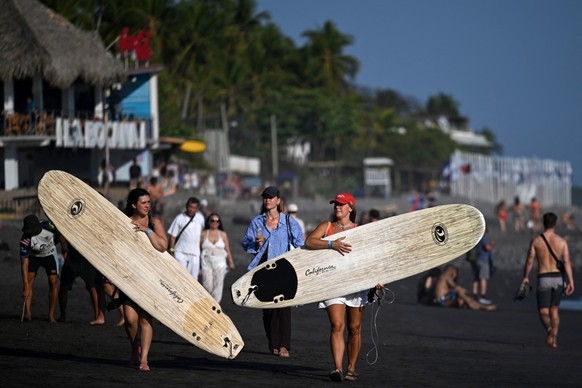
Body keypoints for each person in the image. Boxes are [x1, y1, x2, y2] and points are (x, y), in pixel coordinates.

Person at [304, 192, 382, 382]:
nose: (337, 207)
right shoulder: (327, 226)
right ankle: (338, 368)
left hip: (356, 283)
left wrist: (378, 279)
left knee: (354, 328)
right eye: (335, 204)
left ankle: (351, 368)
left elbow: (372, 256)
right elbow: (309, 242)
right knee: (337, 325)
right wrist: (332, 244)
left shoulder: (359, 229)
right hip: (332, 282)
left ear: (350, 208)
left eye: (340, 204)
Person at [242, 186, 304, 358]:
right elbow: (245, 243)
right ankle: (273, 342)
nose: (267, 200)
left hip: (283, 267)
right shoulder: (257, 222)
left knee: (283, 307)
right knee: (267, 309)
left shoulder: (289, 222)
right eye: (265, 197)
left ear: (278, 200)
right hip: (262, 267)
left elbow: (300, 244)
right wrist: (254, 244)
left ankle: (284, 346)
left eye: (271, 197)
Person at [122, 188, 167, 371]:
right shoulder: (123, 221)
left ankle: (144, 359)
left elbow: (163, 246)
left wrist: (147, 230)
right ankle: (135, 348)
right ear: (134, 204)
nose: (148, 206)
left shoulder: (154, 223)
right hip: (128, 275)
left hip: (150, 276)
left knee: (145, 320)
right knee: (130, 318)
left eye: (149, 202)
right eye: (144, 202)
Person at [520, 212, 574, 348]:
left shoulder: (536, 241)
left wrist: (525, 277)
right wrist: (571, 281)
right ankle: (553, 338)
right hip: (558, 278)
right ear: (555, 224)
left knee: (543, 311)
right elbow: (567, 262)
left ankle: (550, 331)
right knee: (554, 310)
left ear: (543, 224)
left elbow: (529, 261)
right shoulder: (562, 241)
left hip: (544, 278)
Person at [19, 215, 67, 322]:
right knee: (29, 281)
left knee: (53, 282)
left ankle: (51, 316)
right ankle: (28, 314)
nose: (29, 233)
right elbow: (24, 264)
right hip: (34, 257)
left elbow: (61, 234)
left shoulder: (49, 227)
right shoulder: (25, 240)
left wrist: (64, 248)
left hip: (50, 255)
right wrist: (25, 286)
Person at [58, 244, 102, 324]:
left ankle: (97, 316)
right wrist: (65, 250)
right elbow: (61, 237)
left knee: (92, 287)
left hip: (87, 260)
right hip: (72, 260)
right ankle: (62, 315)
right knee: (63, 286)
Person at [200, 213, 235, 303]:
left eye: (217, 221)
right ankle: (209, 303)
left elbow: (227, 248)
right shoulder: (203, 234)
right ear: (208, 222)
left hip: (220, 263)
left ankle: (215, 305)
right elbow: (198, 248)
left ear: (219, 223)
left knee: (218, 286)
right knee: (207, 285)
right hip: (206, 262)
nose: (215, 222)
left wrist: (230, 261)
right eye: (212, 220)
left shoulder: (223, 234)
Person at [167, 197, 205, 280]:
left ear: (197, 209)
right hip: (180, 252)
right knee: (181, 277)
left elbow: (202, 235)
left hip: (195, 253)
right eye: (190, 207)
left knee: (194, 279)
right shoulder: (179, 218)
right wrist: (171, 251)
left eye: (194, 208)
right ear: (186, 206)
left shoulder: (200, 218)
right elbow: (173, 236)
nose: (191, 209)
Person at [471, 229, 495, 305]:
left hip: (477, 260)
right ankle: (482, 296)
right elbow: (487, 248)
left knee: (476, 278)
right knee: (483, 278)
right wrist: (492, 244)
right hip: (483, 260)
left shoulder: (477, 236)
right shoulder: (483, 237)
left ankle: (474, 295)